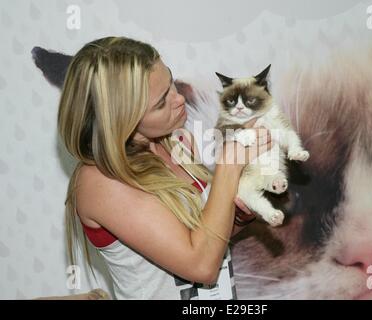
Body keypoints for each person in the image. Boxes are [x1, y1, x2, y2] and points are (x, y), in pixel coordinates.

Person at [58, 36, 273, 299]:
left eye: (170, 81)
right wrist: (229, 165)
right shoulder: (99, 182)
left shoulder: (177, 143)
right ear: (121, 122)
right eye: (161, 103)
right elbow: (200, 265)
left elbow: (200, 238)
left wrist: (238, 217)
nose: (179, 99)